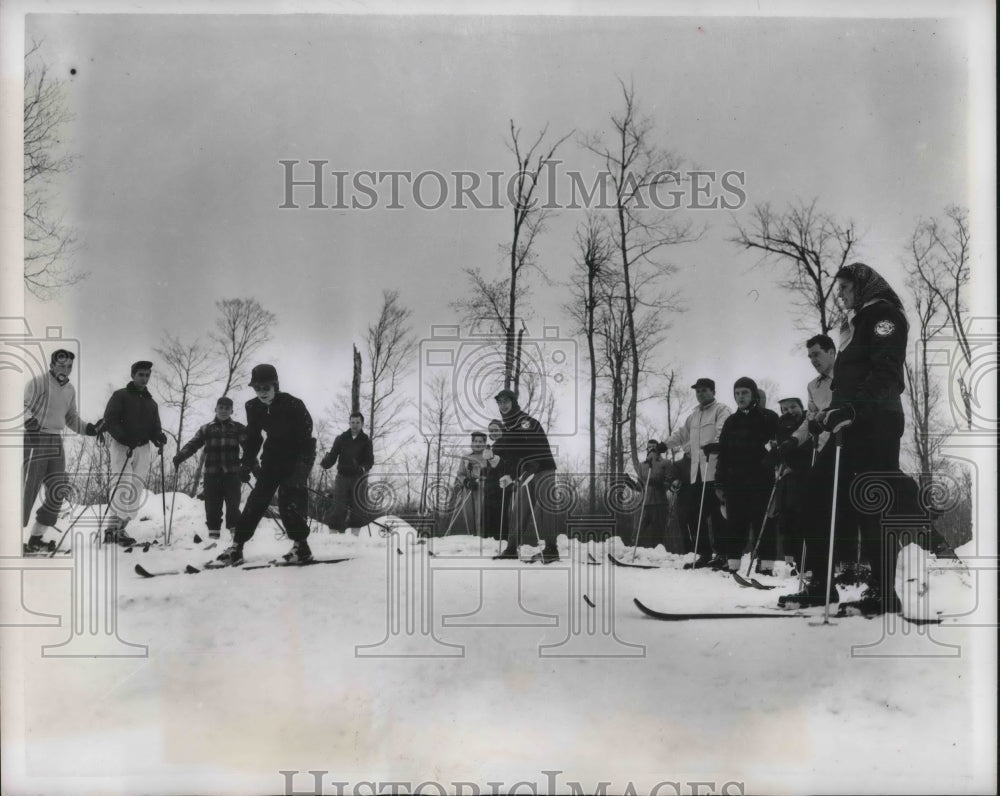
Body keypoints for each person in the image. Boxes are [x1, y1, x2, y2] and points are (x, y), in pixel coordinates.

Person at [782, 263, 914, 615]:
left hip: (877, 422)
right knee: (816, 494)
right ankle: (821, 586)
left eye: (843, 287)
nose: (839, 295)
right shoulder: (854, 324)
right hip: (849, 426)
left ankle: (883, 591)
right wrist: (831, 413)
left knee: (870, 502)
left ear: (862, 284)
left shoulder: (885, 315)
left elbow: (887, 373)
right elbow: (849, 379)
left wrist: (853, 409)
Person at [216, 364, 316, 565]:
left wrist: (301, 469)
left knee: (289, 500)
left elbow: (307, 440)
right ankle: (237, 547)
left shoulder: (294, 404)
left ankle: (301, 546)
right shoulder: (253, 407)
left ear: (275, 385)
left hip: (296, 459)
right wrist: (246, 463)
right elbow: (253, 438)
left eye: (266, 387)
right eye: (257, 388)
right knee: (256, 500)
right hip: (272, 459)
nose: (261, 392)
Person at [22, 349, 101, 551]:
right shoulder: (38, 382)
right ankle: (9, 538)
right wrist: (29, 422)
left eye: (69, 367)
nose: (66, 370)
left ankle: (36, 537)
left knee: (59, 488)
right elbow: (23, 406)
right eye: (62, 365)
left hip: (56, 441)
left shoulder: (70, 390)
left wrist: (89, 429)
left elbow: (71, 418)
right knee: (27, 490)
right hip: (35, 437)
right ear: (52, 365)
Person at [713, 377, 779, 574]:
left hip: (762, 480)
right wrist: (719, 482)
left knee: (764, 522)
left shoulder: (769, 417)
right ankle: (733, 564)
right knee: (735, 522)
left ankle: (766, 566)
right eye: (737, 393)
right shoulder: (731, 422)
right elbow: (723, 454)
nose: (740, 397)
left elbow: (778, 447)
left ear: (753, 394)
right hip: (736, 481)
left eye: (745, 393)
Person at [665, 378, 731, 567]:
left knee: (718, 515)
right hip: (696, 473)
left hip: (715, 470)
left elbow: (723, 431)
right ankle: (703, 553)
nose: (700, 394)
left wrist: (717, 445)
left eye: (704, 390)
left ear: (713, 391)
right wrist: (664, 444)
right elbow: (681, 434)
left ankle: (722, 555)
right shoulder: (693, 415)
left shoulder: (721, 410)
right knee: (694, 513)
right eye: (698, 391)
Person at [102, 360, 167, 545]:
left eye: (147, 375)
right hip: (123, 446)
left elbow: (155, 427)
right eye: (141, 374)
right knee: (122, 484)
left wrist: (159, 438)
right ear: (133, 375)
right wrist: (123, 437)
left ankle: (120, 530)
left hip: (143, 447)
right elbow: (110, 420)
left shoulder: (151, 402)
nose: (144, 378)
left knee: (136, 488)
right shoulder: (120, 395)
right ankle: (111, 529)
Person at [491, 389, 560, 563]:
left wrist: (531, 467)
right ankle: (512, 548)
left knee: (546, 508)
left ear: (513, 402)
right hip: (526, 472)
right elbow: (512, 457)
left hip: (543, 468)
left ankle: (551, 549)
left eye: (506, 401)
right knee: (519, 508)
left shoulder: (525, 422)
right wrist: (509, 475)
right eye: (499, 402)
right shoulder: (507, 428)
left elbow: (538, 445)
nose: (503, 405)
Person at [173, 396, 246, 540]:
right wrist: (181, 456)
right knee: (212, 508)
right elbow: (193, 444)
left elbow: (249, 450)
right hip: (212, 476)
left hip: (232, 475)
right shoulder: (206, 428)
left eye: (227, 408)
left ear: (231, 411)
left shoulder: (238, 428)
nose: (224, 411)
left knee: (233, 508)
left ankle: (236, 542)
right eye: (221, 408)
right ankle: (213, 539)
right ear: (216, 409)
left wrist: (252, 469)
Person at [320, 412, 375, 532]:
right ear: (349, 423)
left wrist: (362, 468)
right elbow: (333, 456)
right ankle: (333, 536)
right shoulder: (341, 439)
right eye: (352, 422)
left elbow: (369, 461)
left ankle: (354, 539)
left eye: (357, 422)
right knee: (338, 507)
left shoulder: (366, 441)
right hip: (342, 477)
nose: (355, 425)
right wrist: (326, 462)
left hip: (358, 479)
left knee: (358, 509)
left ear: (362, 424)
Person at [633, 440, 673, 549]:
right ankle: (640, 556)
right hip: (645, 504)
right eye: (649, 447)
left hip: (659, 504)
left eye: (653, 447)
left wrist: (659, 483)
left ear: (658, 449)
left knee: (658, 535)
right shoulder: (642, 465)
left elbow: (669, 483)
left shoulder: (665, 463)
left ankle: (658, 556)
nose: (651, 449)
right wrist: (630, 483)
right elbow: (639, 487)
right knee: (640, 533)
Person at [452, 431, 489, 535]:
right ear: (472, 443)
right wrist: (466, 481)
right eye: (475, 441)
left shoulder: (488, 457)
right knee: (469, 515)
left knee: (481, 515)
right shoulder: (466, 457)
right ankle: (470, 537)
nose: (478, 444)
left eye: (481, 441)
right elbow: (460, 474)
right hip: (469, 489)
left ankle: (482, 538)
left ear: (484, 444)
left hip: (484, 489)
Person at [482, 420, 509, 541]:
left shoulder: (507, 443)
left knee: (500, 514)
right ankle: (490, 540)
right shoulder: (494, 445)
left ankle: (501, 540)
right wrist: (484, 471)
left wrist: (492, 458)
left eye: (496, 430)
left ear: (502, 429)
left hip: (501, 485)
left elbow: (507, 465)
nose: (494, 433)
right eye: (491, 431)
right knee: (489, 515)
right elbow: (491, 467)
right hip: (490, 485)